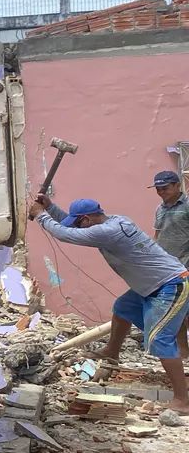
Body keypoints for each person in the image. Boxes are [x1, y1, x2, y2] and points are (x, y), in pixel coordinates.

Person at [29, 195, 189, 413]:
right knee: (122, 308)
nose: (79, 226)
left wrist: (40, 215)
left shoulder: (107, 231)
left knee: (160, 339)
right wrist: (51, 208)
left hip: (169, 284)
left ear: (86, 219)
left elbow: (66, 234)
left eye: (79, 222)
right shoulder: (113, 221)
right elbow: (72, 225)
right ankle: (111, 351)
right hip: (151, 285)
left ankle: (182, 399)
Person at [151, 169, 189, 357]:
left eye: (165, 188)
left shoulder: (187, 206)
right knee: (177, 312)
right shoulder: (160, 209)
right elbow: (158, 235)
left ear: (177, 186)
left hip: (186, 265)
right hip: (167, 270)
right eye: (158, 189)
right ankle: (183, 352)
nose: (161, 192)